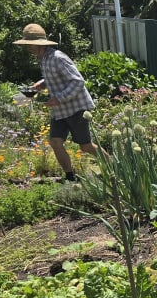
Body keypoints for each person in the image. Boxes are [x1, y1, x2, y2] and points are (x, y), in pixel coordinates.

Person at [13, 23, 96, 182]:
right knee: (55, 142)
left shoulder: (58, 57)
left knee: (85, 146)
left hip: (76, 108)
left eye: (30, 44)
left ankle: (114, 168)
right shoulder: (43, 59)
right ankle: (70, 178)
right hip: (60, 110)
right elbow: (55, 76)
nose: (28, 48)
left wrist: (59, 98)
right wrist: (42, 84)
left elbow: (78, 81)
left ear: (39, 44)